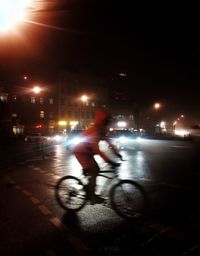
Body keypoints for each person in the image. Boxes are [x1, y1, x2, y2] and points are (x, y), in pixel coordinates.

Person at [73, 109, 122, 203]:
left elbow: (109, 142)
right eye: (106, 121)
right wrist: (109, 161)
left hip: (87, 152)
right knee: (94, 170)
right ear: (102, 121)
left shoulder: (101, 130)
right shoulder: (94, 130)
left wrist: (117, 153)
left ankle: (90, 191)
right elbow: (97, 149)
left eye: (107, 121)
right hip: (81, 152)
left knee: (95, 170)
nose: (107, 123)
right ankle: (92, 196)